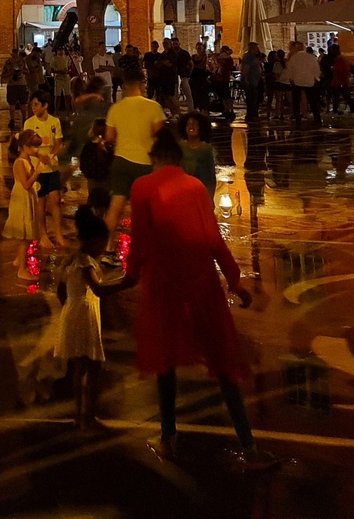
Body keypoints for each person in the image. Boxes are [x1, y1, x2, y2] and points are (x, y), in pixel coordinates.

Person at [125, 126, 270, 468]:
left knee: (166, 361)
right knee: (223, 362)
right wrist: (235, 282)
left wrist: (128, 276)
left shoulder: (143, 187)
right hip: (203, 283)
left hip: (165, 284)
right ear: (179, 159)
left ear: (156, 158)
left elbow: (141, 240)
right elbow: (213, 238)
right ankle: (248, 447)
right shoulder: (194, 187)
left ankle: (168, 437)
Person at [56, 205, 117, 430]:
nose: (103, 248)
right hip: (85, 315)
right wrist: (125, 284)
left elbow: (60, 291)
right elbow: (98, 290)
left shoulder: (70, 260)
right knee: (93, 367)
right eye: (102, 242)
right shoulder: (86, 263)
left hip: (72, 312)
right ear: (94, 241)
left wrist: (69, 309)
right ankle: (88, 416)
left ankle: (77, 415)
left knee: (79, 367)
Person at [102, 69, 167, 254]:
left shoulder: (116, 108)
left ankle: (108, 246)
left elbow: (109, 137)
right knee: (148, 208)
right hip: (146, 162)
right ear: (140, 85)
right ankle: (147, 245)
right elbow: (159, 134)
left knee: (115, 206)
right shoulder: (153, 106)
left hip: (121, 161)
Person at [24, 94, 66, 248]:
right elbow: (26, 145)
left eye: (36, 105)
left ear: (45, 105)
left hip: (52, 167)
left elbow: (59, 142)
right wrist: (39, 156)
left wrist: (50, 155)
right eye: (32, 105)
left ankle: (59, 234)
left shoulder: (54, 122)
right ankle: (43, 235)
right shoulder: (29, 123)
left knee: (55, 200)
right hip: (37, 169)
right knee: (40, 203)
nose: (33, 108)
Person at [3, 129, 42, 275]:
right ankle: (22, 269)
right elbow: (26, 184)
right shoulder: (20, 163)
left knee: (27, 234)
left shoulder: (27, 160)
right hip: (22, 199)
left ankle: (19, 260)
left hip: (28, 197)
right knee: (24, 237)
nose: (37, 150)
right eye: (35, 146)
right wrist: (37, 172)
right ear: (26, 147)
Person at [176, 111, 217, 198]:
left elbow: (209, 178)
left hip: (199, 191)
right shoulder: (180, 146)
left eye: (195, 124)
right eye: (188, 124)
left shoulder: (206, 149)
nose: (191, 127)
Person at [284, 41, 323, 127]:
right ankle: (317, 118)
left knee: (296, 101)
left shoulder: (294, 58)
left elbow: (289, 70)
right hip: (309, 81)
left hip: (296, 82)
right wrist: (315, 78)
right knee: (312, 101)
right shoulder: (311, 58)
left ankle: (298, 119)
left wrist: (291, 79)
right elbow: (317, 70)